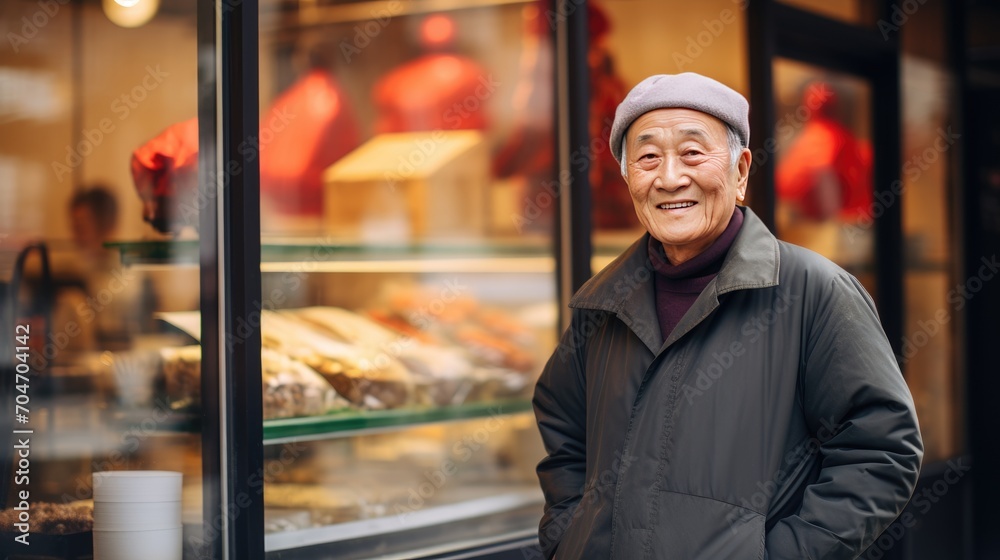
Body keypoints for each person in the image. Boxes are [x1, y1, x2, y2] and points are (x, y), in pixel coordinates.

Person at [532, 72, 923, 559]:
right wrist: (571, 536)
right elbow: (564, 431)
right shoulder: (603, 302)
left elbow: (880, 451)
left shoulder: (813, 291)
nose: (670, 177)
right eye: (648, 157)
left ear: (740, 172)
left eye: (693, 153)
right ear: (628, 177)